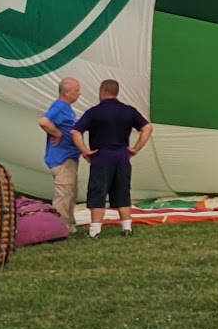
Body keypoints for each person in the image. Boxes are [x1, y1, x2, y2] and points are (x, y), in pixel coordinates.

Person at [73, 79, 152, 237]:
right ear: (116, 92)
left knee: (98, 193)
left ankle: (95, 231)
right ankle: (126, 228)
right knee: (123, 193)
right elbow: (147, 128)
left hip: (101, 157)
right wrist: (135, 148)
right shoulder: (128, 110)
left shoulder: (94, 112)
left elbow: (75, 132)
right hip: (122, 157)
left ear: (102, 91)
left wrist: (84, 151)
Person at [37, 77, 83, 228]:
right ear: (67, 92)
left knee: (70, 192)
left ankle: (69, 224)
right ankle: (59, 227)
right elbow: (43, 121)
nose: (79, 93)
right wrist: (57, 133)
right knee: (64, 194)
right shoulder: (59, 107)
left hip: (69, 157)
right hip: (61, 158)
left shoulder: (67, 108)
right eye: (76, 91)